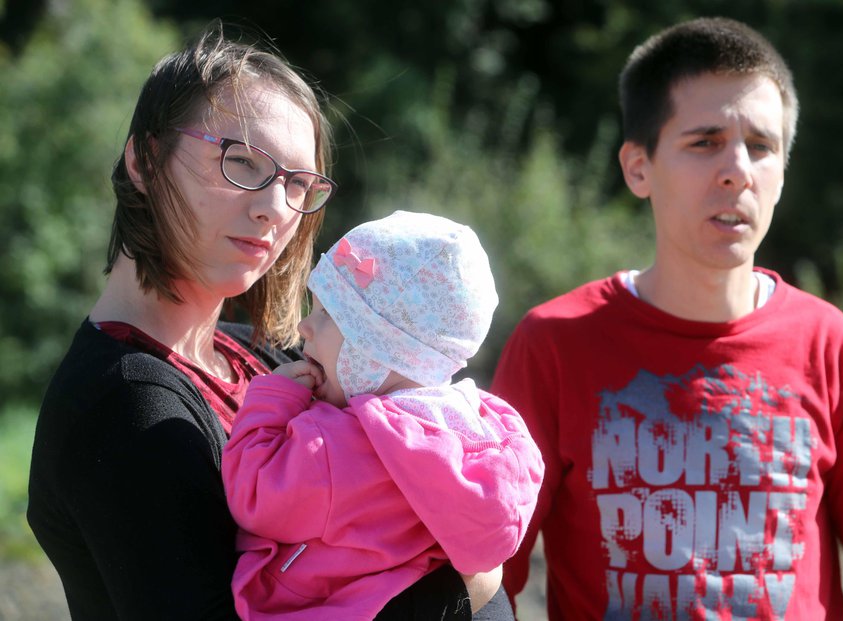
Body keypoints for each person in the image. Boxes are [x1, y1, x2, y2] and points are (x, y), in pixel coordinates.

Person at [27, 22, 504, 621]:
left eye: (298, 184)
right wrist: (474, 578)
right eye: (242, 162)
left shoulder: (274, 355)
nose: (275, 209)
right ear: (145, 160)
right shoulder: (124, 407)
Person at [492, 16, 843, 621]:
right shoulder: (554, 344)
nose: (737, 171)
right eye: (705, 142)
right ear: (638, 167)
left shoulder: (829, 345)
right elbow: (488, 572)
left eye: (761, 147)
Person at [221, 210, 545, 621]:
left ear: (372, 351)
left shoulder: (338, 448)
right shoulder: (479, 433)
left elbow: (253, 495)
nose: (304, 327)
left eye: (327, 315)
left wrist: (272, 397)